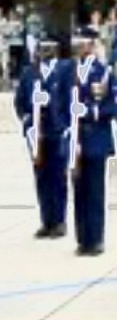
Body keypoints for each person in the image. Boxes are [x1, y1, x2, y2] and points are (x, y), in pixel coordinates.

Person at [61, 26, 117, 256]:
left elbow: (112, 105)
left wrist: (90, 112)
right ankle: (82, 238)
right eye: (78, 42)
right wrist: (66, 125)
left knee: (95, 190)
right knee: (78, 189)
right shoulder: (68, 70)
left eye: (84, 42)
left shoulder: (103, 72)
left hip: (95, 136)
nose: (79, 46)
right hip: (75, 137)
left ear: (93, 45)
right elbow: (58, 101)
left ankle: (96, 239)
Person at [14, 31, 67, 239]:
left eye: (49, 47)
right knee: (41, 177)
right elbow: (19, 102)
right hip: (37, 133)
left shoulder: (64, 71)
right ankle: (47, 220)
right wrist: (28, 121)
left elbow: (68, 99)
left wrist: (51, 102)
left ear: (56, 49)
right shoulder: (29, 73)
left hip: (56, 130)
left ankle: (59, 220)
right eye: (42, 47)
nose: (44, 51)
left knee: (58, 177)